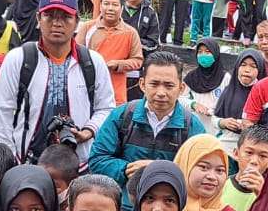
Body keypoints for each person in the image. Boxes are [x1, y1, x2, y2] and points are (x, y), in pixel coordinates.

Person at [0, 0, 114, 167]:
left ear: (76, 21)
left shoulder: (93, 62)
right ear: (38, 18)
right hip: (26, 162)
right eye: (49, 16)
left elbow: (106, 107)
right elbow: (3, 112)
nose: (57, 23)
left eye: (65, 17)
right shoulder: (19, 59)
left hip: (79, 163)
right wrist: (10, 161)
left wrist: (88, 131)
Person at [89, 54, 207, 193]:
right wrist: (126, 169)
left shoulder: (192, 126)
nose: (161, 92)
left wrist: (160, 170)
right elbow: (97, 160)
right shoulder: (122, 115)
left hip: (169, 208)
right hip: (124, 206)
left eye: (169, 86)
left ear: (181, 88)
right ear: (142, 84)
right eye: (154, 84)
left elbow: (202, 171)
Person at [79, 0, 145, 103]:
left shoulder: (130, 32)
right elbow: (76, 53)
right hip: (88, 87)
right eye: (106, 4)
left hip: (116, 91)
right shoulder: (87, 27)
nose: (110, 8)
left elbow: (138, 60)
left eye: (115, 5)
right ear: (100, 6)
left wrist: (118, 64)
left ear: (122, 8)